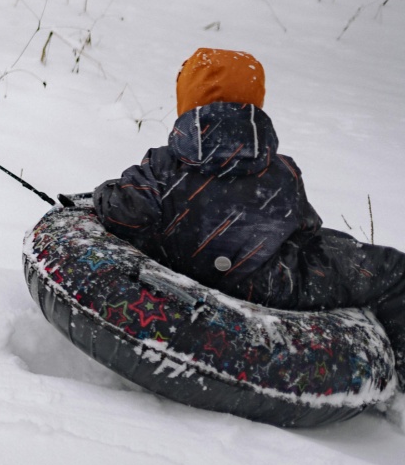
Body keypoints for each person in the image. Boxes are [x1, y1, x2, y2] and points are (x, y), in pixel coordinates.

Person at [92, 48, 404, 364]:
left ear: (186, 100)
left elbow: (126, 212)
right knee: (392, 270)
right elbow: (304, 231)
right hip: (271, 285)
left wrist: (104, 195)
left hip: (180, 265)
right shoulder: (283, 171)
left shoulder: (161, 165)